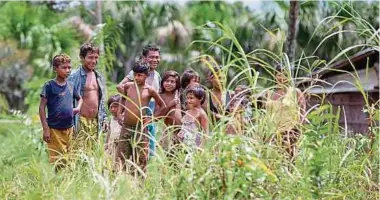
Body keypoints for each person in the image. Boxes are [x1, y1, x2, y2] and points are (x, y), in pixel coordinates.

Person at [116, 62, 166, 172]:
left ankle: (139, 184)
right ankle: (120, 181)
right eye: (135, 74)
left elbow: (162, 106)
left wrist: (151, 119)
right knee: (121, 156)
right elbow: (123, 98)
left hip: (141, 129)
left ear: (146, 75)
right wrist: (120, 113)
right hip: (126, 126)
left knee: (140, 158)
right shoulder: (128, 86)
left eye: (140, 75)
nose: (136, 77)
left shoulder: (150, 90)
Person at [39, 54, 82, 168]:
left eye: (69, 67)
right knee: (58, 161)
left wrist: (78, 108)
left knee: (69, 159)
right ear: (55, 69)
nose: (67, 70)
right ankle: (58, 183)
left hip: (69, 129)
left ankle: (67, 183)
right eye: (64, 67)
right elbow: (42, 107)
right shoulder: (49, 86)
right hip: (54, 130)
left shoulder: (71, 85)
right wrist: (45, 129)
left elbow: (80, 98)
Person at [117, 44, 161, 157]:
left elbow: (159, 100)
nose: (155, 60)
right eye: (151, 57)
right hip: (134, 116)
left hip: (149, 115)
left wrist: (154, 116)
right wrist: (134, 99)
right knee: (128, 149)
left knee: (148, 149)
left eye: (157, 57)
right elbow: (120, 86)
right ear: (144, 58)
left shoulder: (157, 76)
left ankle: (143, 173)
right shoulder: (135, 74)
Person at [69, 43, 108, 152]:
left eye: (96, 58)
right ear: (82, 58)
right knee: (79, 154)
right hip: (80, 121)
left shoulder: (98, 76)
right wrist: (70, 122)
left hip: (96, 122)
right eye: (90, 57)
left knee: (94, 154)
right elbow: (67, 101)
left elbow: (101, 101)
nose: (94, 61)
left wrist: (104, 119)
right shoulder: (74, 76)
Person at [265, 67, 306, 158]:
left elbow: (303, 113)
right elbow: (265, 115)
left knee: (288, 162)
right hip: (272, 134)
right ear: (274, 75)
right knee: (272, 162)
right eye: (279, 74)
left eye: (285, 75)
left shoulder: (295, 92)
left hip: (289, 133)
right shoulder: (269, 93)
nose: (282, 77)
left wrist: (298, 132)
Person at [154, 71, 182, 151]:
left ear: (177, 84)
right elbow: (155, 117)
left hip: (183, 131)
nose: (169, 83)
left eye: (172, 82)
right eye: (166, 81)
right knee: (170, 156)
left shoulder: (180, 94)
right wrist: (169, 105)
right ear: (162, 82)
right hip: (169, 132)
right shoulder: (160, 97)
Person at [105, 94, 122, 167]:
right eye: (111, 107)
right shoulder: (111, 119)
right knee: (110, 164)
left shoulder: (123, 120)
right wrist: (106, 146)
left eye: (115, 107)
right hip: (111, 146)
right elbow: (109, 133)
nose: (112, 109)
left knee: (118, 164)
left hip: (119, 147)